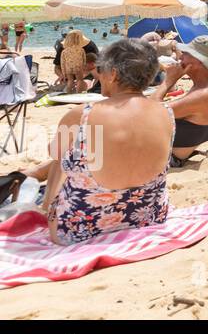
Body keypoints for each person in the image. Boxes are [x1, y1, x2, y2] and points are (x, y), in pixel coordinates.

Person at [28, 39, 174, 245]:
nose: (98, 74)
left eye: (100, 69)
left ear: (113, 73)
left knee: (61, 161)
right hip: (147, 217)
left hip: (79, 229)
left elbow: (54, 153)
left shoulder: (83, 115)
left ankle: (46, 209)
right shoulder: (166, 113)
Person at [156, 34, 208, 163]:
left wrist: (168, 81)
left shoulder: (204, 94)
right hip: (178, 148)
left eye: (185, 53)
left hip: (170, 157)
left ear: (199, 61)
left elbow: (146, 111)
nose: (180, 57)